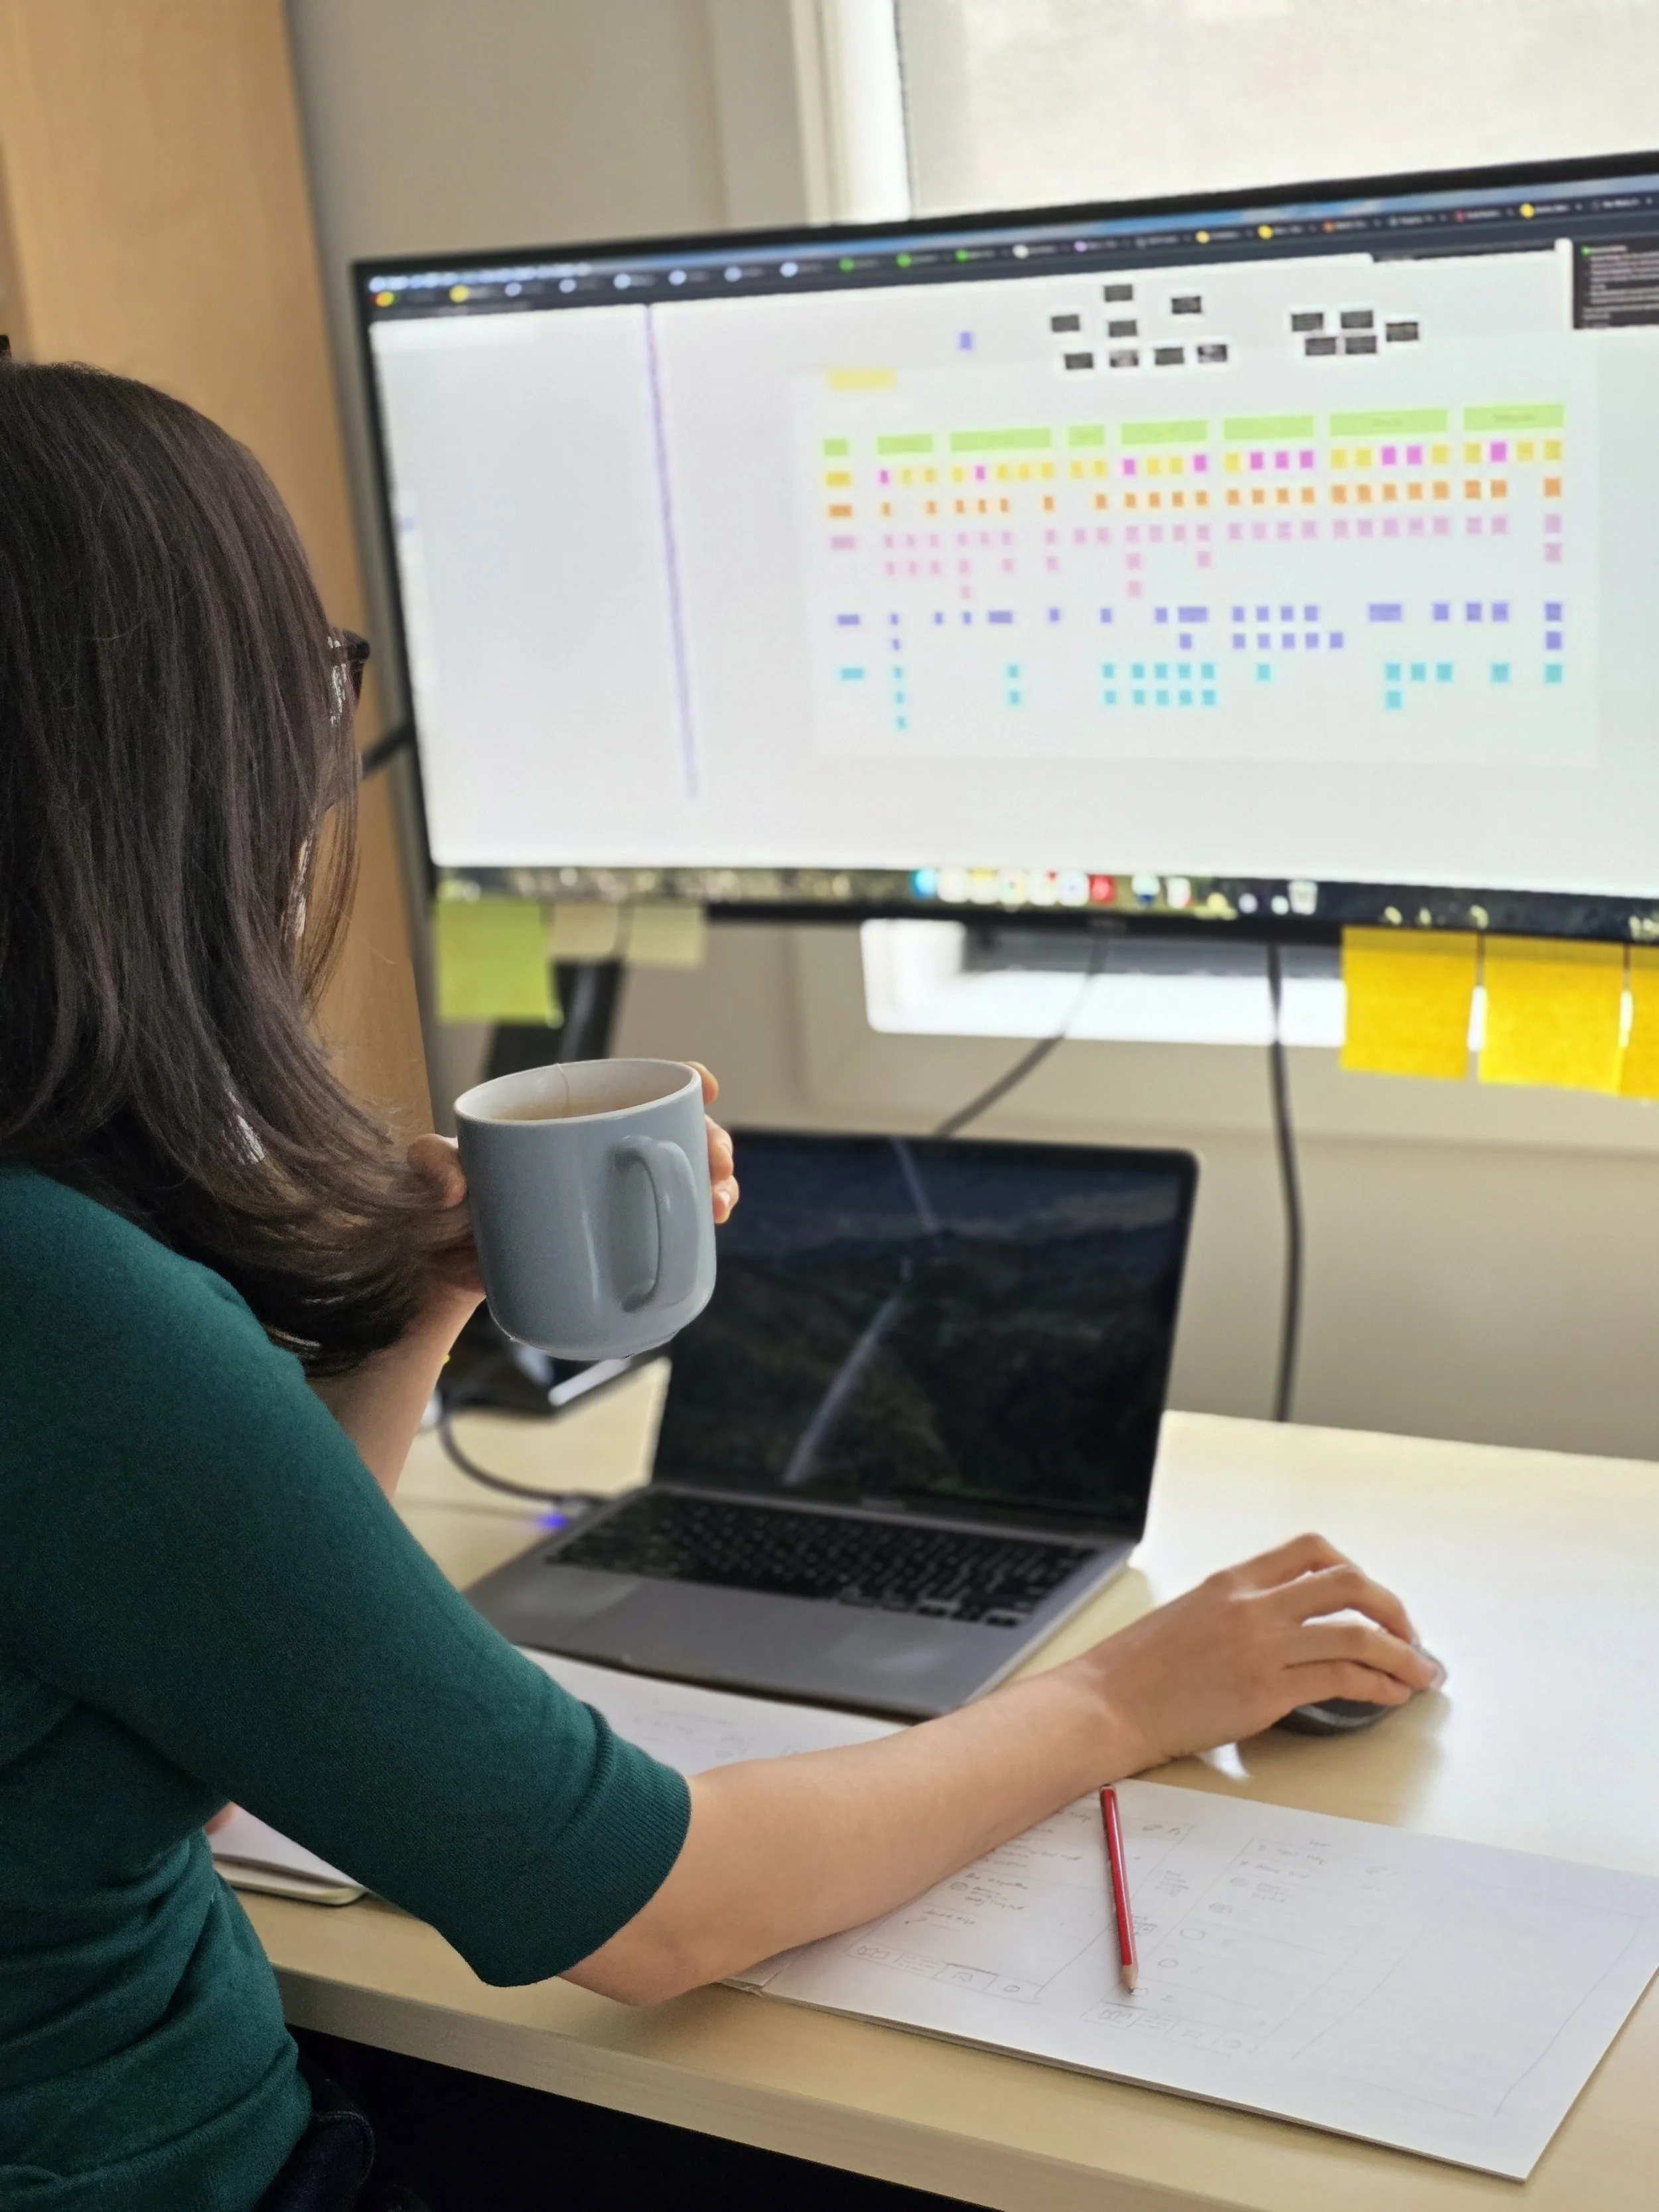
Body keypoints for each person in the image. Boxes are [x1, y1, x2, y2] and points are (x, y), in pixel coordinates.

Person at [0, 360, 1439, 2212]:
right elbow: (655, 1910)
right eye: (310, 687)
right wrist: (1128, 1695)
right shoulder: (70, 1315)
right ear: (170, 775)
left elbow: (188, 1731)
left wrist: (414, 1311)